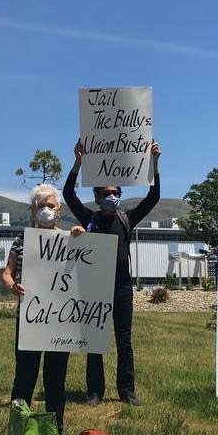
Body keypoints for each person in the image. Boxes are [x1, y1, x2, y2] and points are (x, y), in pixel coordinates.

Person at [62, 139, 163, 406]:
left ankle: (127, 391)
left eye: (115, 192)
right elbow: (69, 195)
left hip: (122, 287)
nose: (111, 196)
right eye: (106, 192)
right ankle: (95, 392)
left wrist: (154, 164)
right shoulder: (90, 219)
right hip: (95, 286)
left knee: (124, 340)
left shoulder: (127, 219)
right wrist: (78, 163)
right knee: (94, 340)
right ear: (97, 197)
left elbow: (153, 197)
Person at [1, 184, 85, 433]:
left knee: (56, 378)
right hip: (30, 318)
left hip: (60, 319)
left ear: (59, 210)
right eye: (41, 206)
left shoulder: (69, 239)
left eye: (50, 205)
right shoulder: (22, 240)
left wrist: (82, 237)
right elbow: (7, 273)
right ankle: (18, 432)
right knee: (24, 376)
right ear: (33, 210)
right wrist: (12, 285)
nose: (46, 210)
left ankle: (54, 432)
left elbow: (85, 269)